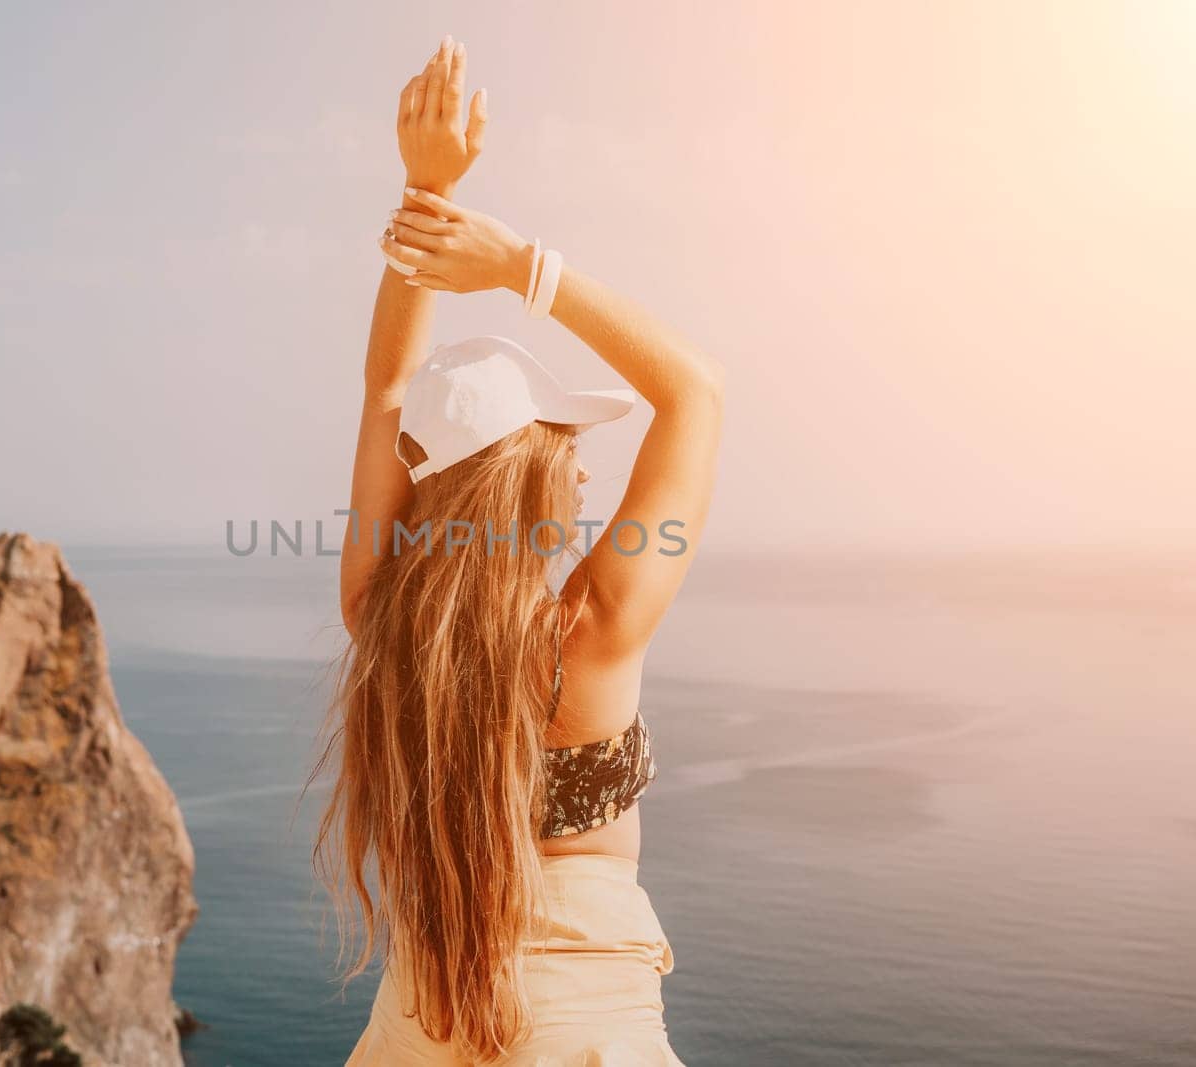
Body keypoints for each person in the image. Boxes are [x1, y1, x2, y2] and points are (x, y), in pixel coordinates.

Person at [308, 35, 725, 1065]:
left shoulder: (383, 615)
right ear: (531, 478)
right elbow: (694, 393)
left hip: (419, 1018)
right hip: (584, 1022)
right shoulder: (593, 626)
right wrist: (519, 269)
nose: (585, 475)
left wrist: (425, 190)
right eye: (568, 451)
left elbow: (388, 399)